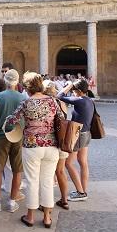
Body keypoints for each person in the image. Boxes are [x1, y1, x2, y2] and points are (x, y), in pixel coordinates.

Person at [6, 72, 63, 228]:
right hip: (51, 145)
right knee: (47, 180)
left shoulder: (26, 102)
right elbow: (61, 118)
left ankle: (30, 216)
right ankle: (46, 217)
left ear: (27, 88)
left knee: (32, 181)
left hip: (32, 146)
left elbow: (13, 119)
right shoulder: (52, 101)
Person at [0, 69, 25, 213]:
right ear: (17, 81)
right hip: (18, 135)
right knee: (17, 169)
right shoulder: (23, 97)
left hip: (1, 135)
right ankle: (12, 202)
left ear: (5, 80)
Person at [57, 78, 94, 202]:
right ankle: (83, 190)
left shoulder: (79, 100)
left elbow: (59, 96)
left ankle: (81, 192)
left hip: (78, 134)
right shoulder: (89, 100)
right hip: (86, 133)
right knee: (83, 162)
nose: (72, 92)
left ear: (78, 91)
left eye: (73, 90)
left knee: (68, 163)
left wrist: (70, 85)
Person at [43, 80, 71, 210]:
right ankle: (64, 199)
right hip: (62, 140)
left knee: (46, 174)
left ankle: (45, 204)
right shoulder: (62, 102)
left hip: (50, 141)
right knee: (60, 171)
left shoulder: (46, 103)